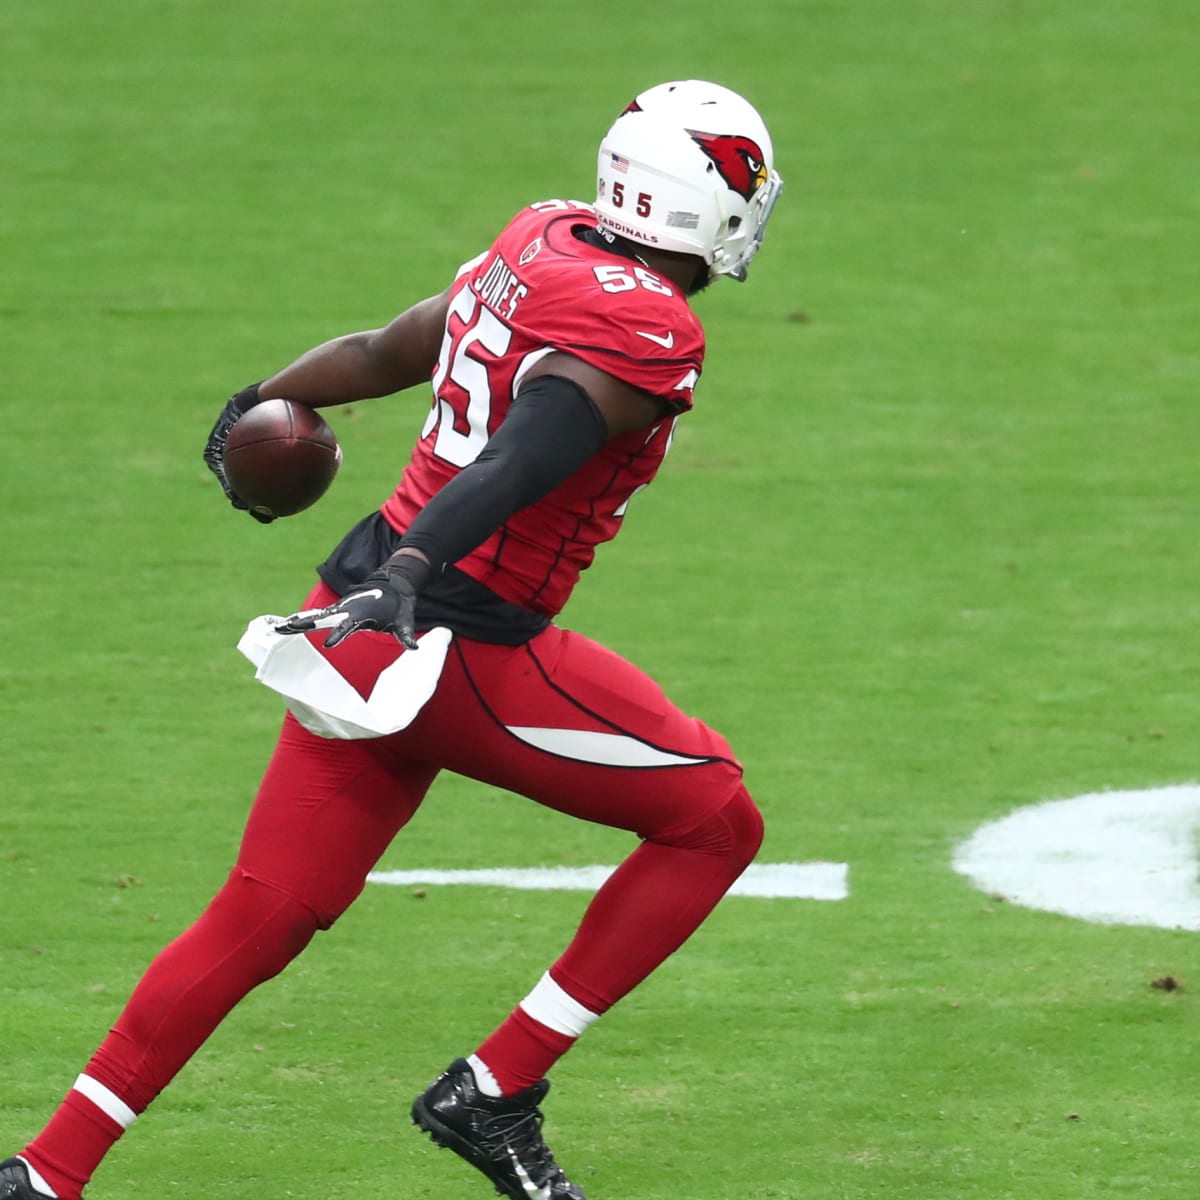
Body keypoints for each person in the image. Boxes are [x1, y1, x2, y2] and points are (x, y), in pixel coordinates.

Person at [2, 79, 783, 1200]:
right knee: (715, 820)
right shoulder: (650, 324)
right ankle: (496, 1089)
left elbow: (386, 346)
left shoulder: (543, 235)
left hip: (355, 610)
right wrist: (417, 575)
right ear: (705, 197)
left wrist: (258, 400)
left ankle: (47, 1171)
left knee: (262, 913)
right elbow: (524, 452)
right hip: (451, 639)